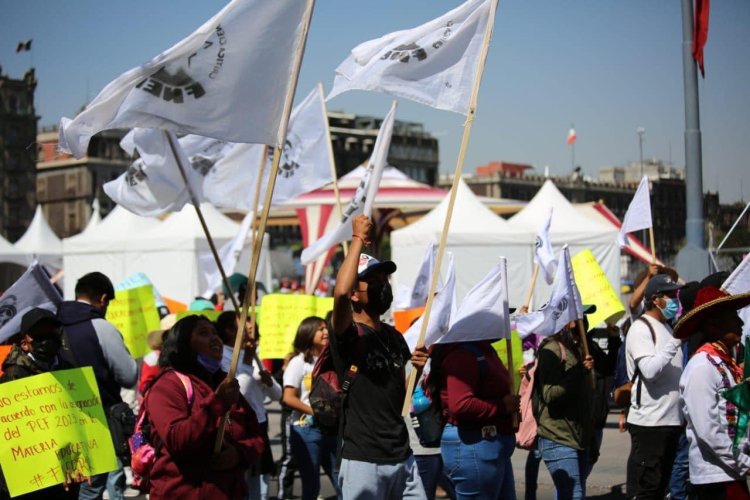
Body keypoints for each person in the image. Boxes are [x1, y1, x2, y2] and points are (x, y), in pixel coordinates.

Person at [331, 213, 429, 499]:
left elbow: (400, 397)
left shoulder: (394, 337)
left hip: (402, 456)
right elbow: (338, 294)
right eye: (372, 281)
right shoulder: (348, 335)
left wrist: (418, 371)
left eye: (383, 278)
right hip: (363, 460)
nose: (382, 284)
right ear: (355, 293)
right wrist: (358, 239)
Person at [145, 315, 265, 499]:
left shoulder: (224, 383)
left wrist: (239, 454)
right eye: (203, 333)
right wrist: (217, 404)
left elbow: (255, 435)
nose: (214, 338)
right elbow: (177, 439)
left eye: (214, 332)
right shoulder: (168, 385)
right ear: (183, 342)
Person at [56, 272, 138, 500]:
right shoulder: (101, 327)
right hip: (98, 424)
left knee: (69, 486)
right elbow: (129, 375)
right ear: (103, 299)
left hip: (58, 424)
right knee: (91, 488)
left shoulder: (52, 325)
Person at [676, 286, 750, 499]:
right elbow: (708, 430)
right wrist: (744, 463)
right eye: (733, 317)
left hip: (730, 473)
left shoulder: (723, 364)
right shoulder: (701, 367)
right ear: (713, 325)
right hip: (715, 478)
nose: (741, 323)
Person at [0, 308, 78, 499]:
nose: (47, 340)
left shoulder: (68, 371)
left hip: (66, 475)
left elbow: (78, 423)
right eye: (39, 335)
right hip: (26, 479)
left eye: (52, 334)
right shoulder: (13, 377)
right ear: (24, 343)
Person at [428, 337, 519, 499]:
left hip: (490, 448)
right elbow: (461, 404)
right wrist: (502, 406)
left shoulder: (483, 349)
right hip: (475, 447)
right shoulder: (463, 354)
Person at [625, 273, 684, 499]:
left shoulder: (667, 328)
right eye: (669, 296)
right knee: (648, 490)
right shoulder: (641, 328)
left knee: (662, 490)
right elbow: (649, 371)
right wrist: (677, 341)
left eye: (675, 294)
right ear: (655, 299)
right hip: (651, 424)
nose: (674, 300)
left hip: (671, 421)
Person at [216, 311, 281, 500]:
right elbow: (238, 392)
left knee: (261, 476)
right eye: (244, 324)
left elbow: (277, 395)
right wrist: (246, 360)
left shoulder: (254, 354)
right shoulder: (223, 357)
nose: (250, 327)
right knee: (242, 478)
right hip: (236, 425)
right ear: (229, 331)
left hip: (259, 422)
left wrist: (269, 382)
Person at [534, 320, 595, 500]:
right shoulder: (551, 350)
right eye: (578, 316)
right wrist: (578, 371)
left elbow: (585, 400)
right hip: (557, 437)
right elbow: (550, 394)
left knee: (574, 494)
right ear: (567, 322)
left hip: (578, 438)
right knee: (573, 495)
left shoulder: (577, 349)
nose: (583, 321)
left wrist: (591, 439)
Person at [282, 316, 339, 500]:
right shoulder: (298, 363)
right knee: (312, 486)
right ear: (307, 333)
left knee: (341, 480)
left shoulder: (332, 360)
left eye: (326, 328)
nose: (325, 332)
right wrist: (316, 412)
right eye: (320, 329)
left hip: (331, 430)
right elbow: (288, 398)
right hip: (307, 430)